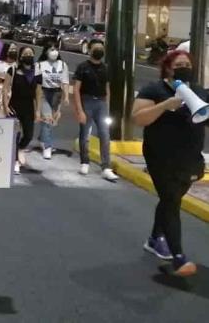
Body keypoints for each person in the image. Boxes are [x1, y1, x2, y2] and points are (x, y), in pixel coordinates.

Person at [132, 50, 205, 277]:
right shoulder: (154, 90)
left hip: (190, 159)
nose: (184, 67)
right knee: (171, 201)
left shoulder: (199, 91)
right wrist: (165, 105)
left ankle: (155, 239)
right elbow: (137, 117)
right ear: (168, 67)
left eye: (187, 64)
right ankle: (179, 257)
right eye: (179, 63)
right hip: (160, 157)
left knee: (169, 199)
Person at [73, 39, 118, 182]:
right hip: (87, 101)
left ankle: (106, 167)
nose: (99, 50)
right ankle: (84, 162)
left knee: (105, 134)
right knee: (85, 133)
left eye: (101, 47)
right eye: (96, 47)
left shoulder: (106, 68)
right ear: (90, 50)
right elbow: (76, 89)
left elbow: (107, 89)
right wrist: (79, 110)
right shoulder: (82, 67)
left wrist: (107, 107)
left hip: (101, 103)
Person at [2, 46, 39, 175]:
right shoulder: (12, 70)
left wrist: (38, 109)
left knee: (28, 135)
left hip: (29, 107)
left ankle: (20, 149)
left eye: (30, 53)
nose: (28, 55)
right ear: (21, 56)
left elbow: (38, 92)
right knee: (15, 135)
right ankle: (15, 161)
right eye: (25, 53)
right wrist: (6, 106)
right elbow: (5, 89)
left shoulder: (36, 71)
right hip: (14, 106)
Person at [35, 43, 70, 160]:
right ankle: (47, 147)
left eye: (56, 49)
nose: (54, 51)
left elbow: (65, 82)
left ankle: (42, 138)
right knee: (47, 119)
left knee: (53, 120)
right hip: (44, 93)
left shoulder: (63, 65)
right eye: (51, 49)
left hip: (57, 94)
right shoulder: (40, 65)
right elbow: (37, 84)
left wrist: (66, 97)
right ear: (46, 51)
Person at [0, 43, 19, 117]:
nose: (14, 51)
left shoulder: (17, 65)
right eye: (12, 49)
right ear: (6, 51)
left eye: (15, 49)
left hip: (13, 94)